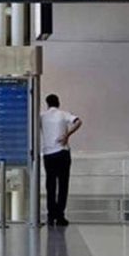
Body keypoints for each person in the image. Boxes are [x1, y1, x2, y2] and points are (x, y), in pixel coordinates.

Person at [40, 94, 82, 227]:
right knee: (63, 185)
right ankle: (60, 216)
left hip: (48, 154)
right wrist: (67, 135)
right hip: (62, 152)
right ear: (58, 103)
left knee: (50, 185)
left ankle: (51, 216)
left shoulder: (42, 116)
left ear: (47, 104)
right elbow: (78, 121)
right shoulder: (64, 114)